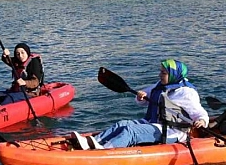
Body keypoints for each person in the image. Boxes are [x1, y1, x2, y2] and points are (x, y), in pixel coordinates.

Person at [72, 59, 209, 150]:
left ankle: (103, 150)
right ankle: (92, 142)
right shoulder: (160, 85)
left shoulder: (186, 92)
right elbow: (141, 101)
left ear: (173, 74)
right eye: (160, 71)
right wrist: (141, 96)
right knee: (122, 124)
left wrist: (202, 121)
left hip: (172, 131)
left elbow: (200, 113)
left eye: (163, 72)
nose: (159, 75)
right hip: (153, 123)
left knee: (131, 132)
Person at [0, 42, 44, 107]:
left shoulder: (34, 63)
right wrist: (5, 55)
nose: (20, 56)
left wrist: (25, 82)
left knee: (10, 97)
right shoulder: (18, 62)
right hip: (16, 90)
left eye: (22, 53)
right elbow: (8, 60)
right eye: (18, 54)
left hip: (29, 93)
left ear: (27, 52)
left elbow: (35, 82)